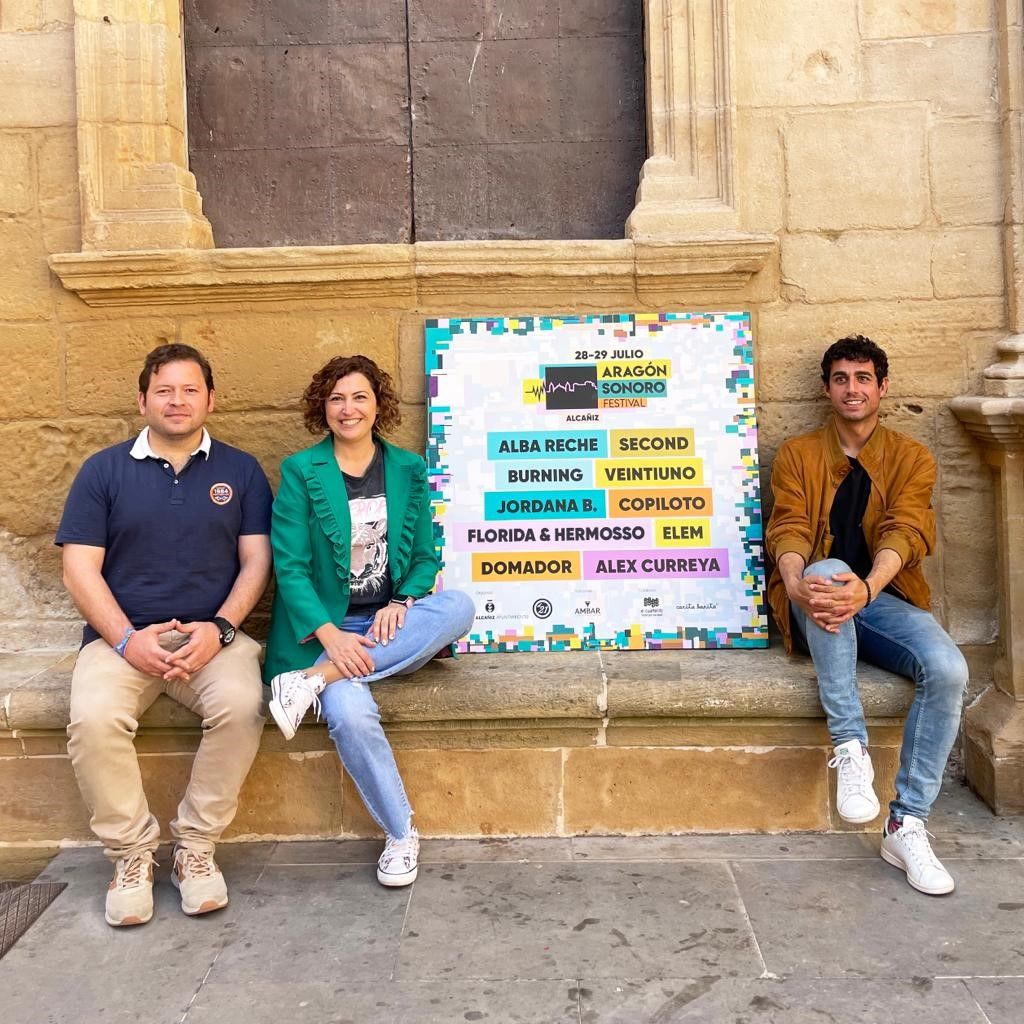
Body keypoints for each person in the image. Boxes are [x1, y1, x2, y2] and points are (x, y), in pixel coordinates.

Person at [57, 344, 273, 927]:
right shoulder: (103, 470)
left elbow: (257, 561)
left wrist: (221, 628)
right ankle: (131, 856)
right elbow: (80, 567)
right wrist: (128, 640)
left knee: (244, 703)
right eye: (164, 390)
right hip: (122, 640)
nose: (177, 400)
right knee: (93, 719)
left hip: (212, 638)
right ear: (143, 399)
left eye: (189, 389)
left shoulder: (241, 470)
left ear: (210, 398)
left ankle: (195, 849)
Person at [765, 335, 968, 896]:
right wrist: (794, 583)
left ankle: (907, 824)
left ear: (882, 387)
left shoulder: (911, 457)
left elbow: (908, 530)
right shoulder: (798, 454)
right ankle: (850, 749)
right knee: (827, 567)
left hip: (883, 600)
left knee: (948, 670)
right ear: (827, 388)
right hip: (815, 600)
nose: (852, 389)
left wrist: (869, 589)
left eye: (862, 378)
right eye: (840, 378)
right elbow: (789, 528)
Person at [264, 354, 475, 888]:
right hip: (325, 632)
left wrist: (401, 601)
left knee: (459, 608)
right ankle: (401, 835)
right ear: (323, 408)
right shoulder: (300, 470)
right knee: (352, 719)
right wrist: (331, 639)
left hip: (390, 627)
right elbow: (288, 566)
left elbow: (425, 556)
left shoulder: (406, 468)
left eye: (359, 396)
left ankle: (309, 685)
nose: (348, 408)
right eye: (337, 398)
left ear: (378, 405)